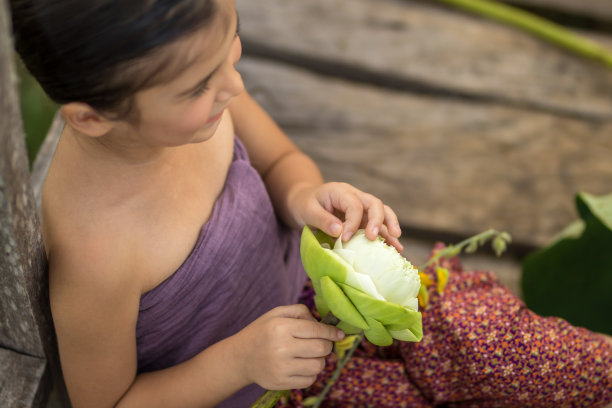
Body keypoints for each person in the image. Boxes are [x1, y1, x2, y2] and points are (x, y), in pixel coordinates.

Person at [9, 0, 611, 407]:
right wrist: (242, 361)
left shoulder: (207, 100)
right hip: (271, 388)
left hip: (326, 306)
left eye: (232, 45)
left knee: (485, 339)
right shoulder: (96, 253)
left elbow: (279, 164)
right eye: (199, 86)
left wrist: (307, 200)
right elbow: (106, 402)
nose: (235, 86)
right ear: (91, 118)